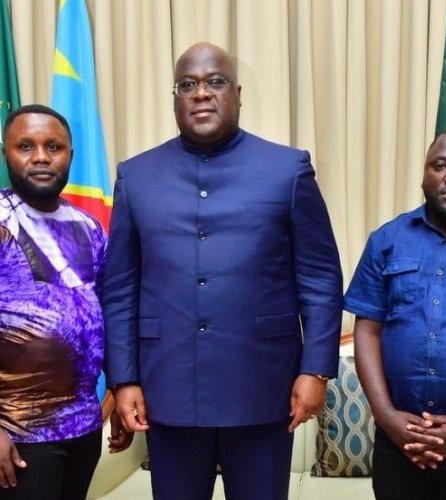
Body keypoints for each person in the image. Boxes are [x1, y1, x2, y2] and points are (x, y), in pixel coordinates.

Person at [102, 42, 343, 500]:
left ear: (237, 93)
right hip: (167, 388)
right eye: (187, 84)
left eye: (215, 82)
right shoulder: (136, 176)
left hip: (264, 388)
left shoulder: (287, 169)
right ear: (175, 97)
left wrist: (316, 370)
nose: (201, 93)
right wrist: (124, 379)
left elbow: (320, 278)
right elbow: (119, 288)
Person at [344, 125, 446, 500]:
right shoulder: (386, 240)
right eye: (440, 165)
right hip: (399, 447)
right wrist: (386, 417)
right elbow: (367, 331)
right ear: (424, 174)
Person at [0, 104, 130, 500]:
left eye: (53, 146)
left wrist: (117, 393)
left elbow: (106, 313)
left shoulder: (89, 227)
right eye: (26, 146)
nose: (40, 156)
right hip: (18, 434)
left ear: (70, 155)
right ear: (6, 153)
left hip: (83, 428)